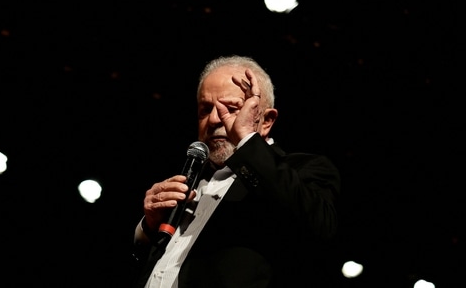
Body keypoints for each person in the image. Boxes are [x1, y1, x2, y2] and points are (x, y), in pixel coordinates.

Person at [130, 55, 341, 288]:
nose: (212, 119)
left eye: (231, 109)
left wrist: (246, 141)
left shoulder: (303, 168)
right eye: (204, 109)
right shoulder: (188, 178)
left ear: (267, 121)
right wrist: (148, 228)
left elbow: (320, 229)